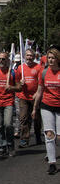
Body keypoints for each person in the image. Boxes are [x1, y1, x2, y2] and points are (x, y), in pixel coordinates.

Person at [32, 47, 60, 175]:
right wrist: (35, 108)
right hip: (47, 106)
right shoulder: (44, 73)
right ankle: (52, 163)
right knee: (49, 134)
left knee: (59, 136)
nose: (51, 60)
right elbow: (39, 91)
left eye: (53, 58)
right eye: (49, 58)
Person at [16, 49, 43, 148]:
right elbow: (16, 82)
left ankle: (37, 135)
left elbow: (41, 82)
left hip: (35, 97)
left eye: (31, 56)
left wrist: (37, 93)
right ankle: (24, 139)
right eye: (27, 55)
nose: (29, 57)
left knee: (36, 118)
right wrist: (20, 83)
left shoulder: (39, 67)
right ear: (24, 57)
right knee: (23, 118)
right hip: (23, 97)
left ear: (34, 57)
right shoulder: (20, 68)